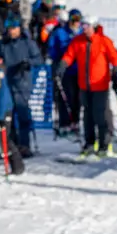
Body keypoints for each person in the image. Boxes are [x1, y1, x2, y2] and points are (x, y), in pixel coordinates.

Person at [57, 14, 117, 160]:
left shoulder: (104, 41)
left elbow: (114, 57)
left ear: (94, 27)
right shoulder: (78, 41)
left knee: (100, 115)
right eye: (82, 26)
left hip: (100, 85)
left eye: (86, 27)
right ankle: (89, 143)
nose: (83, 29)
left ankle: (104, 144)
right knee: (87, 116)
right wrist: (63, 64)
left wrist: (116, 70)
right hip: (84, 85)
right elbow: (69, 55)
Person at [0, 15, 42, 158]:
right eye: (10, 29)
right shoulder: (3, 44)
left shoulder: (27, 43)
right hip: (8, 83)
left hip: (23, 82)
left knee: (23, 115)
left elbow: (38, 58)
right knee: (8, 117)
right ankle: (11, 146)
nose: (12, 31)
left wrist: (28, 63)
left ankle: (24, 145)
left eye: (14, 28)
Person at [49, 9, 81, 138]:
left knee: (78, 99)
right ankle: (65, 123)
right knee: (65, 97)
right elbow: (52, 49)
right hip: (65, 70)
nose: (75, 23)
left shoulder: (81, 33)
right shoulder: (60, 32)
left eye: (77, 20)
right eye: (73, 20)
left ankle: (76, 121)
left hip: (79, 70)